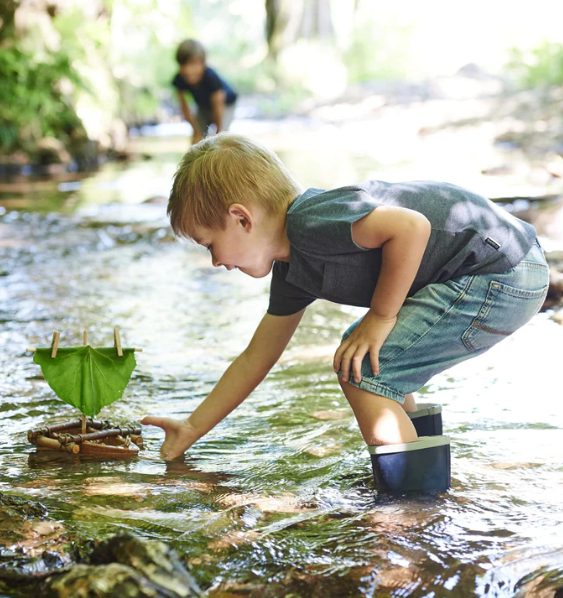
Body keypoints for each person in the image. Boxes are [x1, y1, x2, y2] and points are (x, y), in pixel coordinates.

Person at [141, 133, 549, 493]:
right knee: (369, 361)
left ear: (241, 218)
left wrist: (381, 316)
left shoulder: (311, 221)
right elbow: (255, 358)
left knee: (365, 370)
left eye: (209, 244)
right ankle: (420, 478)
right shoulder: (292, 270)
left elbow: (410, 227)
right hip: (499, 267)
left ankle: (412, 508)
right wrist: (192, 427)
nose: (214, 261)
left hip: (500, 272)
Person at [172, 39, 237, 144]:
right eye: (184, 65)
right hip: (204, 107)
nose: (189, 70)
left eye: (193, 64)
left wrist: (218, 131)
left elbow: (218, 103)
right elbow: (185, 107)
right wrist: (196, 131)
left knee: (221, 139)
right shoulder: (179, 79)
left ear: (203, 63)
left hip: (225, 104)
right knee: (196, 140)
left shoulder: (211, 77)